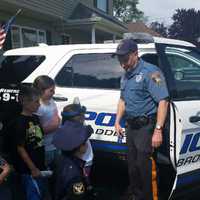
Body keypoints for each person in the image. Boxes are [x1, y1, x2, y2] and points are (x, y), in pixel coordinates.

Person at [113, 38, 169, 200]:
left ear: (136, 54)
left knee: (146, 169)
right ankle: (137, 195)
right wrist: (117, 121)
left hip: (146, 128)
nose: (122, 64)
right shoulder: (125, 76)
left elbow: (163, 102)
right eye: (119, 60)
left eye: (125, 59)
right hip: (131, 127)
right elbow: (123, 100)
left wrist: (158, 131)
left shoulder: (152, 73)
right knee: (133, 167)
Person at [9, 85, 47, 200]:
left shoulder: (36, 118)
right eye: (36, 102)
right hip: (28, 169)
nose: (39, 105)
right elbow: (20, 148)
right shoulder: (19, 123)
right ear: (25, 102)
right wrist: (33, 168)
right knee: (33, 195)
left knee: (40, 193)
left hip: (39, 165)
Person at [52, 104, 95, 200]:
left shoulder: (61, 160)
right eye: (84, 143)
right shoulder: (74, 174)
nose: (87, 145)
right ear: (78, 147)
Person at [33, 75, 60, 167]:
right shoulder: (38, 107)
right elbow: (35, 131)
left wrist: (57, 122)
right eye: (51, 90)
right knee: (44, 171)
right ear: (40, 91)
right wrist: (54, 126)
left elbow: (56, 116)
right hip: (45, 148)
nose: (54, 93)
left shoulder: (51, 101)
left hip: (55, 145)